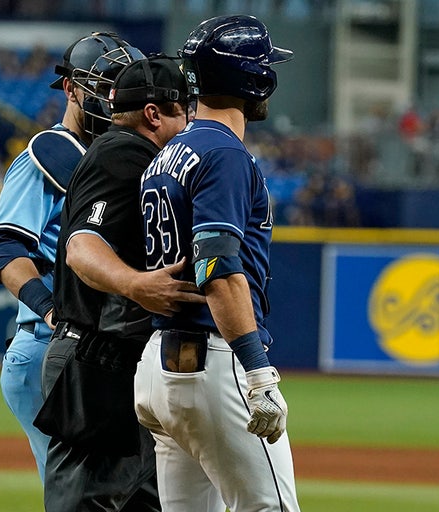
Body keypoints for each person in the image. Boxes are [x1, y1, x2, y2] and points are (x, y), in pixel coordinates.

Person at [134, 15, 300, 511]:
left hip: (160, 368)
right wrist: (257, 372)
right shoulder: (224, 153)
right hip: (214, 363)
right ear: (253, 79)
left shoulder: (168, 153)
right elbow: (218, 266)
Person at [38, 54, 203, 511]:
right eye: (185, 109)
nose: (192, 119)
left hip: (119, 355)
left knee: (143, 500)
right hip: (95, 356)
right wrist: (136, 284)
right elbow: (81, 248)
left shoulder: (141, 156)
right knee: (87, 503)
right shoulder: (123, 153)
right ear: (154, 113)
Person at [0, 32, 143, 485]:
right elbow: (6, 248)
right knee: (85, 490)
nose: (112, 98)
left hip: (102, 346)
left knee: (120, 487)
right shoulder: (47, 155)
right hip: (48, 345)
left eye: (120, 87)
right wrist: (51, 309)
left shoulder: (118, 155)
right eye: (103, 85)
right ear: (71, 88)